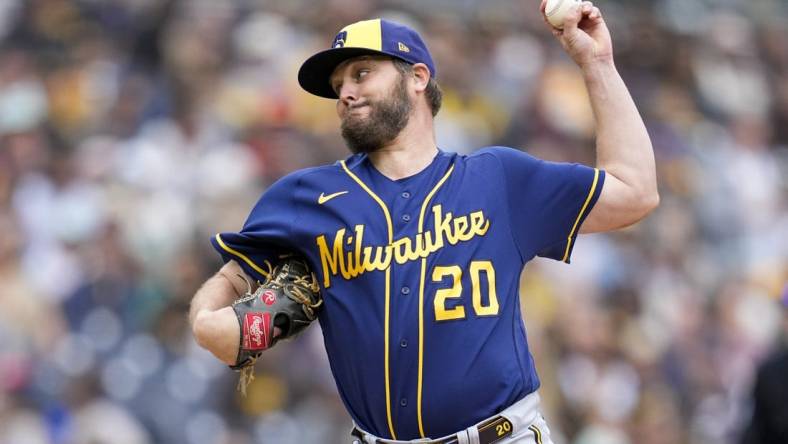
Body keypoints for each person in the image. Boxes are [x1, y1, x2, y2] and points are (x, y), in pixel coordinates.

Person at [189, 1, 659, 443]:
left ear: (417, 77)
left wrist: (597, 65)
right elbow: (227, 309)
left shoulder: (499, 178)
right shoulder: (304, 199)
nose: (346, 91)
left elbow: (635, 191)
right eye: (338, 85)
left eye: (362, 72)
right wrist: (211, 324)